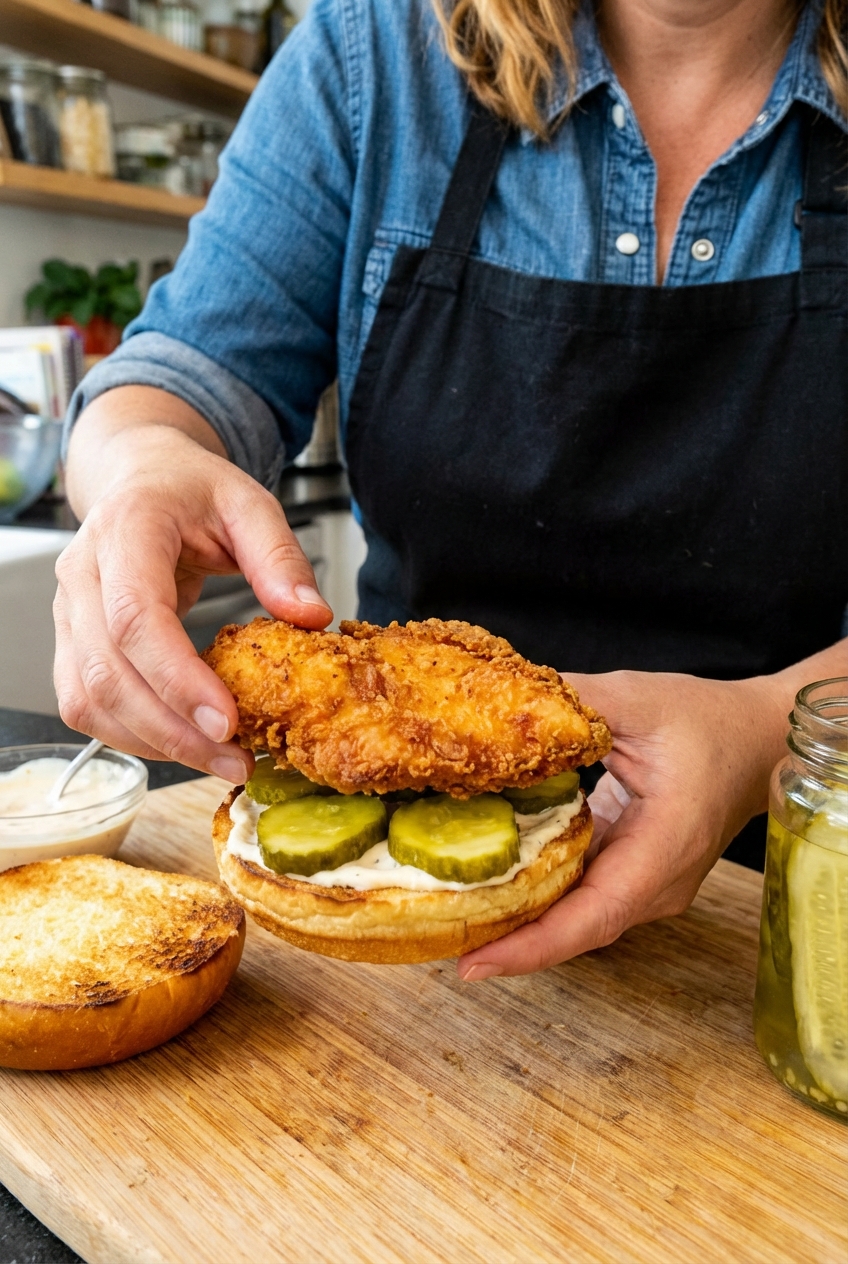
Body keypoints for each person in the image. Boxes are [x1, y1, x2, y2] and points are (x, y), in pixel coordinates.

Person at [56, 0, 847, 980]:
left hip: (804, 903)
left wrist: (767, 730)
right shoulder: (370, 57)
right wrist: (137, 464)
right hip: (387, 957)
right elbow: (184, 367)